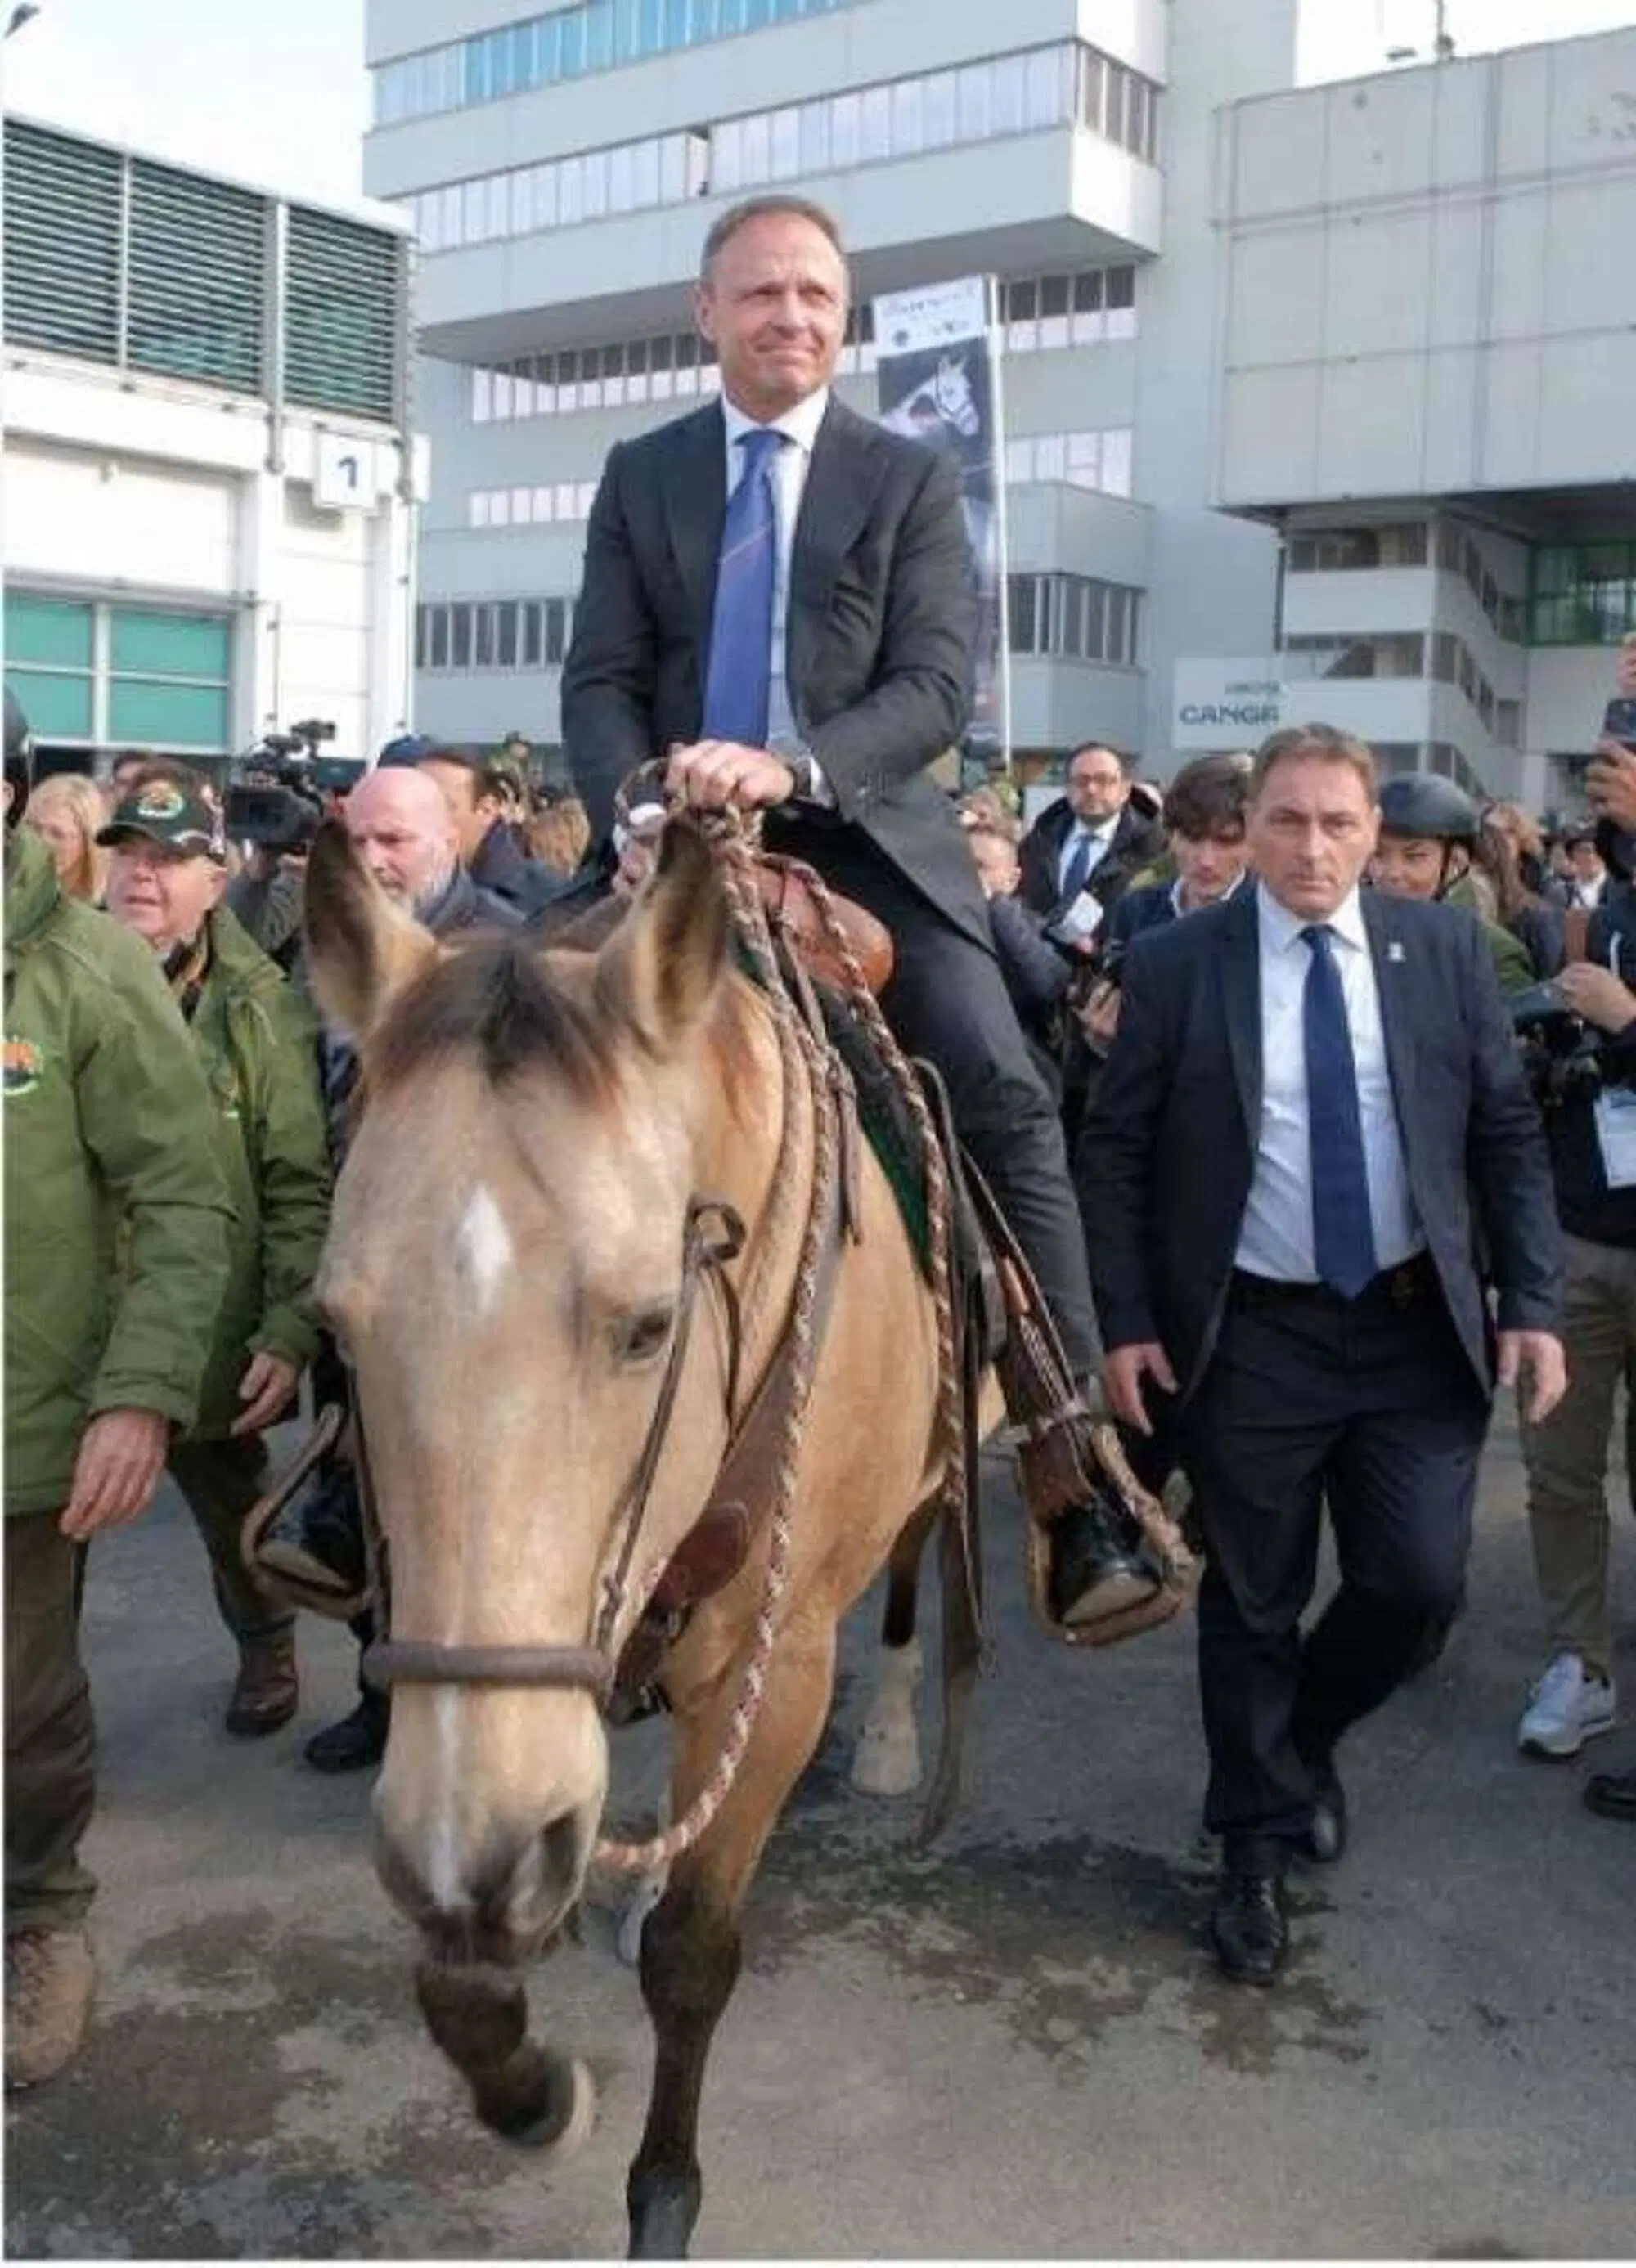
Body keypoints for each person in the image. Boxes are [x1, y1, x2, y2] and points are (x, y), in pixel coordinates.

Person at [560, 191, 1148, 1627]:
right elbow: (598, 677)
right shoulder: (643, 473)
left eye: (818, 296)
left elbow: (936, 688)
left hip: (866, 842)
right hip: (666, 843)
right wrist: (642, 806)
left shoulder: (906, 475)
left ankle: (1080, 1470)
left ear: (845, 316)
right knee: (470, 1044)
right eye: (762, 294)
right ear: (707, 313)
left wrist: (795, 763)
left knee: (999, 1084)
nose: (793, 317)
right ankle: (358, 1464)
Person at [1081, 723, 1563, 1984]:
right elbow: (1116, 1153)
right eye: (1284, 820)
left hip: (1413, 1329)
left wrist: (1536, 1303)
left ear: (1374, 835)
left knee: (1418, 1586)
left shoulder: (1443, 952)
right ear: (1248, 830)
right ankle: (1251, 1846)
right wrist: (1126, 1321)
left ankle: (1291, 1744)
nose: (1310, 846)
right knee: (1251, 1600)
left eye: (1337, 824)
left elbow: (1506, 1136)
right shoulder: (1181, 962)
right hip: (1253, 1333)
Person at [4, 695, 233, 2091]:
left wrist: (140, 1395)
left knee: (19, 1707)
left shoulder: (84, 972)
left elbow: (186, 1192)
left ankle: (38, 1917)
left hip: (22, 1436)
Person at [262, 764, 523, 1774]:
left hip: (454, 1303)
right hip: (348, 1275)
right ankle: (382, 1697)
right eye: (358, 838)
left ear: (448, 840)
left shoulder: (501, 948)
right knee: (362, 1508)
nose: (374, 860)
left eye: (397, 842)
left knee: (452, 1515)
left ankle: (477, 1723)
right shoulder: (324, 951)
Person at [98, 770, 332, 1737]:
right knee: (34, 1530)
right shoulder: (43, 974)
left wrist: (286, 1323)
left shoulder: (260, 1006)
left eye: (168, 859)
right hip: (64, 1316)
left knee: (228, 1502)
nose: (142, 878)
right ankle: (34, 1713)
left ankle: (264, 1637)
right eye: (128, 856)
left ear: (215, 877)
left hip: (204, 1325)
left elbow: (296, 1181)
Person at [1366, 775, 1535, 994]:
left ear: (1456, 862)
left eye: (1414, 857)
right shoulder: (1350, 936)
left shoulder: (1492, 952)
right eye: (1378, 855)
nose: (1392, 873)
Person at [966, 817, 1072, 1099]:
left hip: (1016, 1079)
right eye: (960, 864)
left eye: (979, 866)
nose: (966, 875)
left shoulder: (1030, 927)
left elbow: (1047, 982)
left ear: (1013, 879)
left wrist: (995, 906)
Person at [1017, 743, 1166, 932]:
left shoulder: (1154, 848)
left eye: (1103, 780)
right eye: (1081, 780)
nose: (1092, 789)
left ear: (1125, 790)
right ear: (1067, 788)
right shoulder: (1037, 842)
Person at [409, 744, 563, 917]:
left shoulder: (546, 900)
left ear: (487, 810)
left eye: (441, 806)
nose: (418, 820)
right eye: (412, 807)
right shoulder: (392, 887)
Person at [22, 771, 108, 904]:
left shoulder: (110, 914)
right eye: (33, 828)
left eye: (57, 834)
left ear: (87, 844)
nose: (40, 841)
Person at [1566, 828, 1607, 911]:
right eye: (1585, 851)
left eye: (1596, 851)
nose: (1590, 857)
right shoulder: (1566, 890)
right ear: (1573, 856)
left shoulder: (1616, 888)